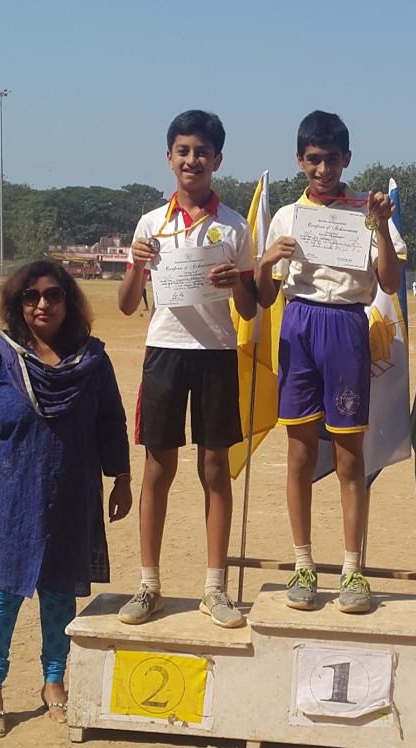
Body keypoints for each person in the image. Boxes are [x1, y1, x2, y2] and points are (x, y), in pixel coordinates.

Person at [0, 260, 132, 738]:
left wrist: (121, 477)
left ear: (68, 300)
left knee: (58, 594)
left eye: (52, 295)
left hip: (69, 492)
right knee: (2, 595)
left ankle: (54, 683)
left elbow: (111, 418)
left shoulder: (91, 359)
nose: (42, 304)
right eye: (31, 296)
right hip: (6, 494)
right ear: (17, 302)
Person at [256, 111, 406, 613]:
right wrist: (267, 259)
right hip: (298, 326)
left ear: (348, 159)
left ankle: (352, 569)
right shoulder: (286, 217)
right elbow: (261, 294)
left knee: (349, 458)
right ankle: (303, 563)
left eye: (332, 159)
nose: (323, 169)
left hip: (346, 327)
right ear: (300, 161)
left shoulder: (368, 211)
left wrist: (382, 229)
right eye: (313, 159)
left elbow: (389, 283)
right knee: (299, 454)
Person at [116, 109, 257, 629]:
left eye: (202, 151)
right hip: (166, 352)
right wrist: (137, 264)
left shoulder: (235, 226)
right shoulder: (151, 225)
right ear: (169, 157)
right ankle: (149, 585)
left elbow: (248, 309)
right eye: (183, 150)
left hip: (218, 354)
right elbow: (128, 306)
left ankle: (215, 589)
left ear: (218, 159)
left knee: (215, 470)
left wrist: (235, 282)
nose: (192, 159)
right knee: (158, 468)